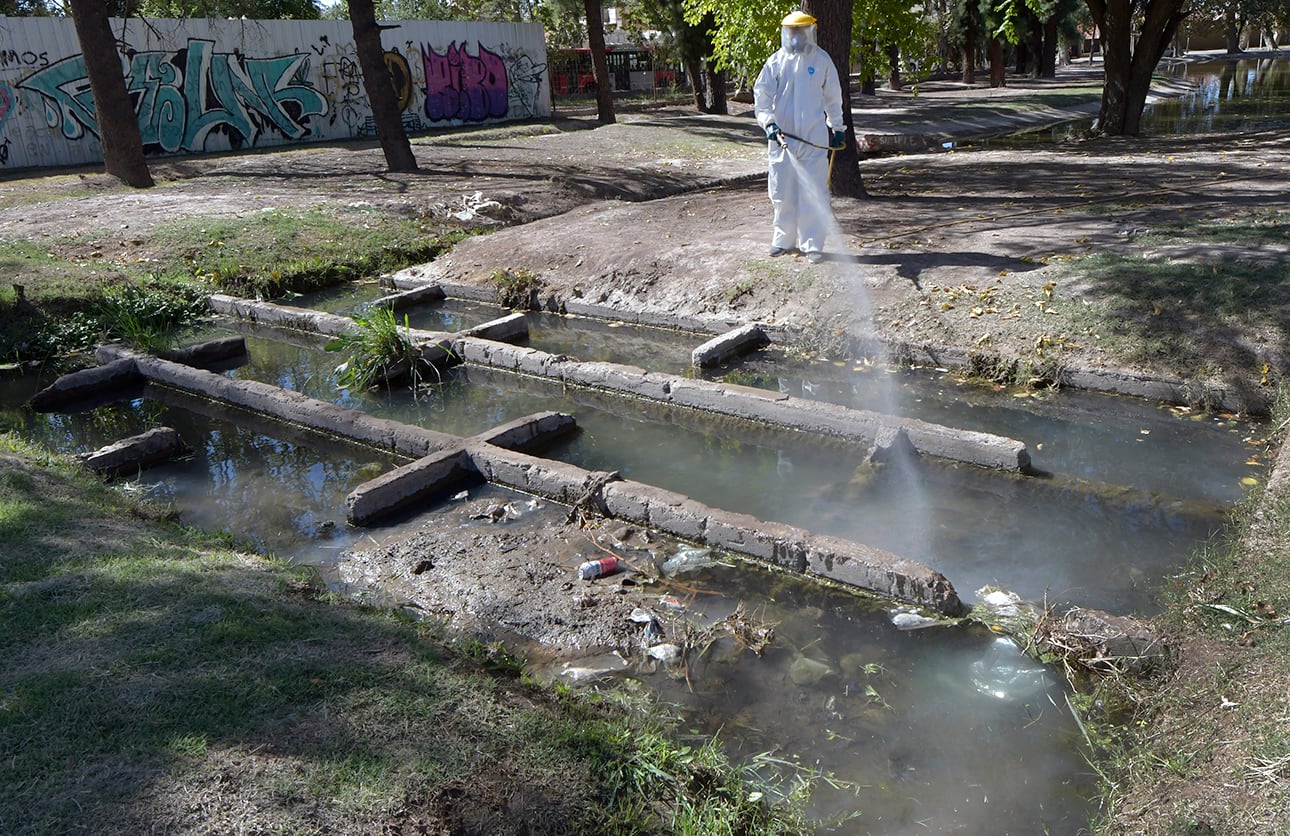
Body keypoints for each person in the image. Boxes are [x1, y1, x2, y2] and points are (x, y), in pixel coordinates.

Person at [753, 10, 847, 264]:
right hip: (782, 140)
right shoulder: (775, 62)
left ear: (811, 32)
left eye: (801, 31)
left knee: (813, 193)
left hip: (813, 138)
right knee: (781, 191)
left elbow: (833, 98)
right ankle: (783, 240)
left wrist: (837, 128)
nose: (796, 37)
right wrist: (768, 124)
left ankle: (812, 244)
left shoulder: (822, 61)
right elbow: (761, 98)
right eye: (792, 32)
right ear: (785, 33)